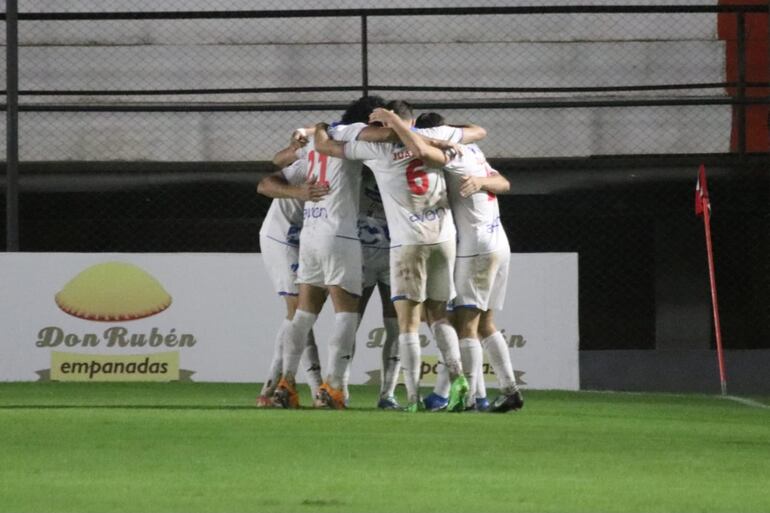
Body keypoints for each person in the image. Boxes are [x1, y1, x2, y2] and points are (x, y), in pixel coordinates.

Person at [312, 101, 483, 412]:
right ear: (413, 120)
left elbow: (326, 147)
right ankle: (460, 382)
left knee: (407, 324)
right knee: (439, 314)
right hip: (444, 239)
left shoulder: (376, 150)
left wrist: (322, 127)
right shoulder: (432, 137)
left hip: (408, 242)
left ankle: (414, 398)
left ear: (381, 124)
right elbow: (477, 131)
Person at [397, 112, 524, 413]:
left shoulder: (450, 154)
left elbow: (420, 150)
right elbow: (504, 183)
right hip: (498, 242)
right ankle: (508, 391)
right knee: (485, 324)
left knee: (465, 324)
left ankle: (469, 398)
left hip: (476, 245)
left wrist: (398, 128)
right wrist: (482, 180)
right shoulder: (474, 151)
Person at [273, 95, 388, 409]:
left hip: (310, 232)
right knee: (346, 311)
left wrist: (312, 129)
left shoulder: (318, 141)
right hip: (339, 234)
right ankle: (332, 388)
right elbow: (380, 136)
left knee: (304, 313)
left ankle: (286, 383)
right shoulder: (352, 133)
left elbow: (279, 162)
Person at [255, 146, 328, 407]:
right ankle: (316, 387)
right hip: (282, 237)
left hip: (309, 241)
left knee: (297, 315)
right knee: (299, 310)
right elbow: (264, 184)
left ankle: (271, 388)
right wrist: (299, 192)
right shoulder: (316, 160)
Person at [357, 169, 401, 409]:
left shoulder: (402, 165)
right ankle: (338, 389)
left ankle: (388, 394)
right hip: (361, 254)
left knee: (395, 325)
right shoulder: (359, 165)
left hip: (395, 254)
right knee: (350, 321)